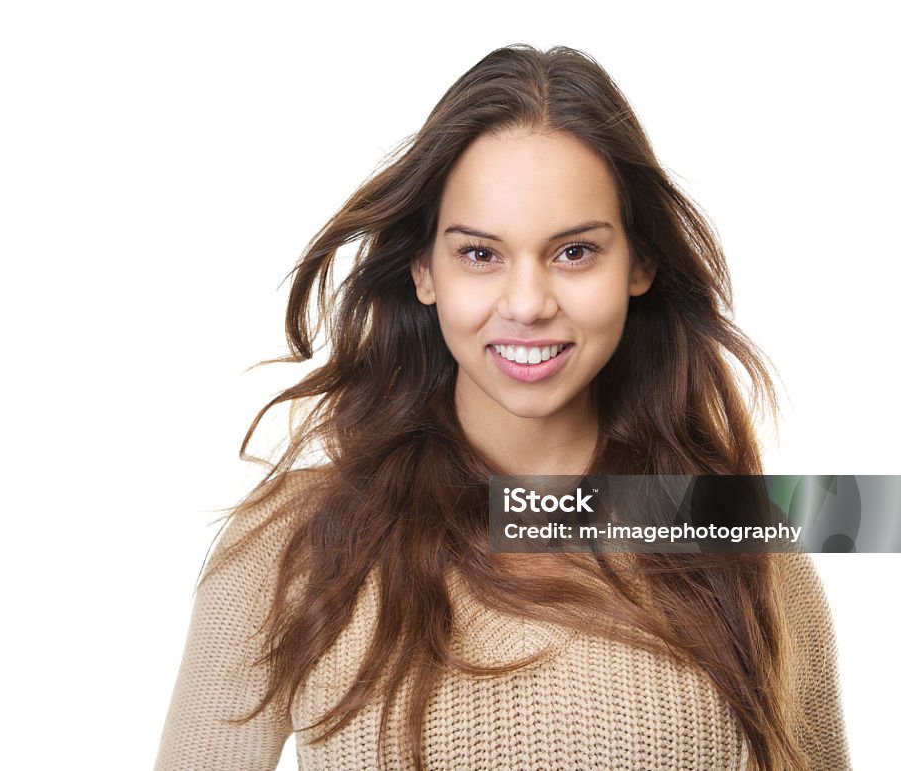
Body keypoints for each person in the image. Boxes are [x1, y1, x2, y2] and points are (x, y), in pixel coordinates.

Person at [152, 44, 850, 770]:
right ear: (424, 270)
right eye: (480, 254)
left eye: (574, 252)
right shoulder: (286, 547)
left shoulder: (741, 534)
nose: (526, 304)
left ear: (640, 263)